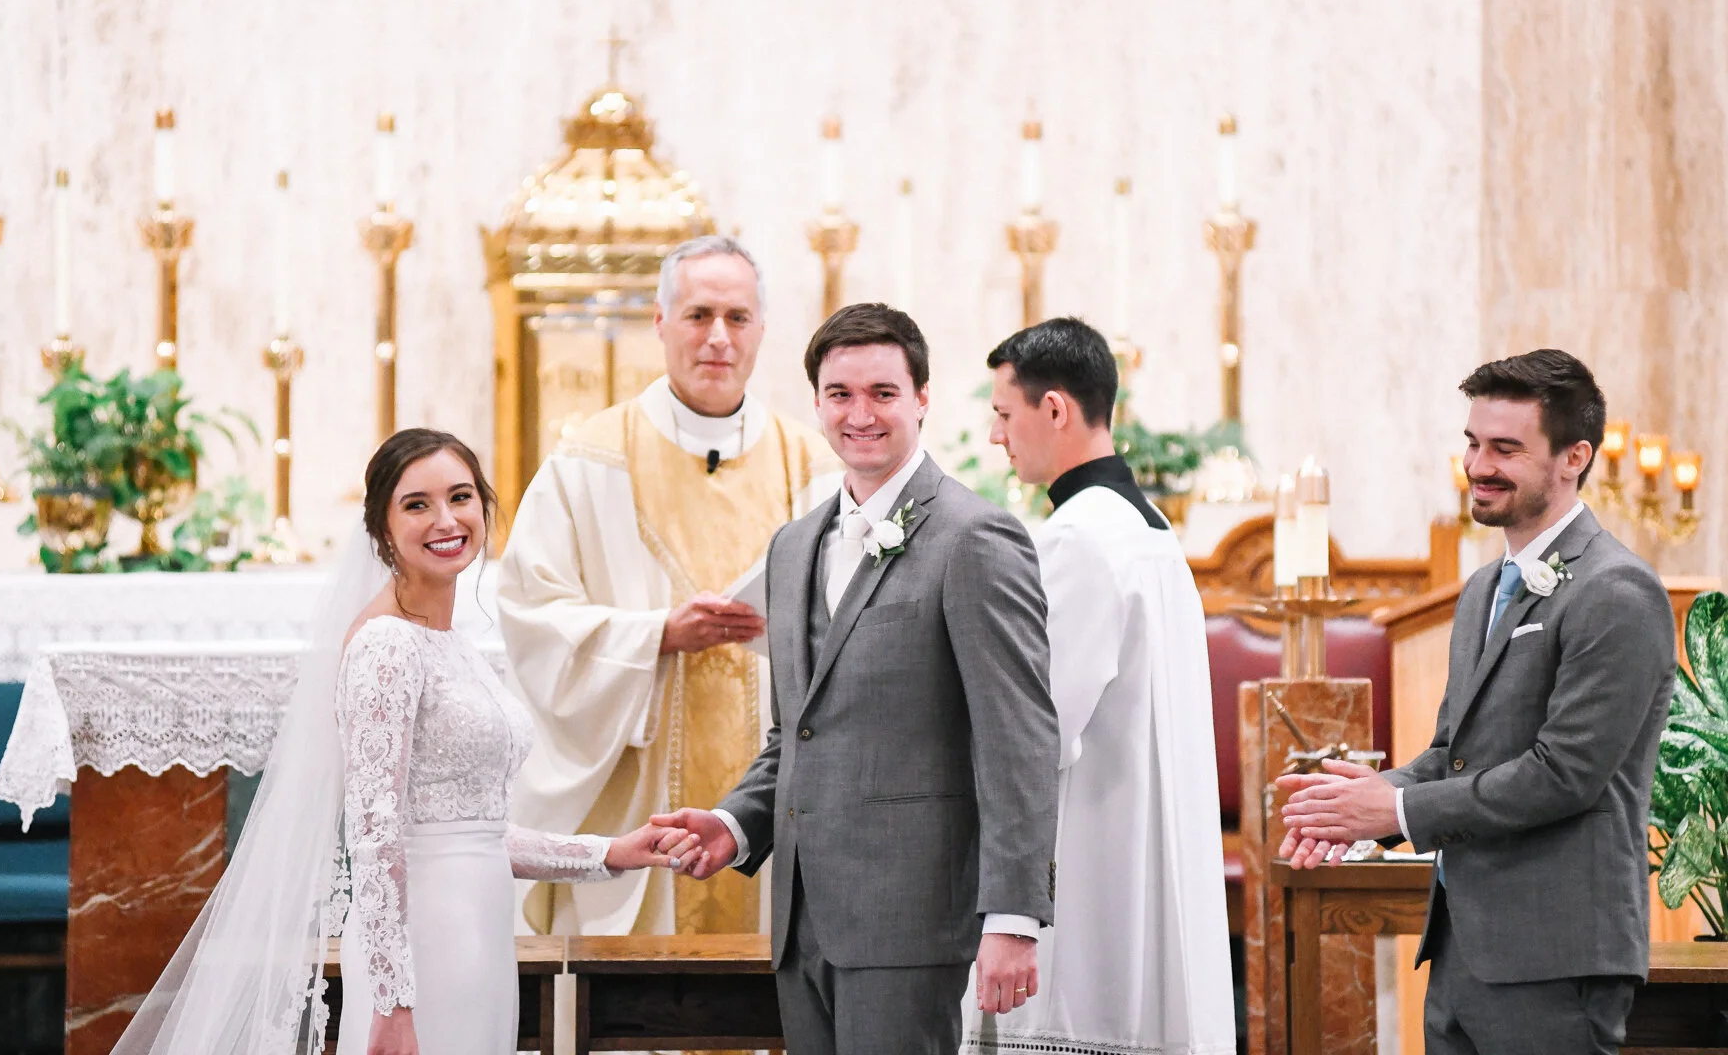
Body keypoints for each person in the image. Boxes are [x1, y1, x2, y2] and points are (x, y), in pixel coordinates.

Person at [110, 428, 699, 1055]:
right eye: (417, 504)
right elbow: (374, 834)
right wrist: (391, 1001)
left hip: (479, 933)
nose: (446, 520)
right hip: (423, 944)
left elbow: (476, 833)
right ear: (382, 529)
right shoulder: (385, 645)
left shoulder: (453, 645)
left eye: (461, 497)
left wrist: (611, 853)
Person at [654, 303, 1061, 1055]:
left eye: (883, 393)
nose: (860, 414)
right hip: (800, 916)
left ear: (923, 399)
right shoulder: (792, 547)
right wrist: (735, 824)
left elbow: (1019, 740)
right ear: (816, 402)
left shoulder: (975, 537)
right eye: (840, 394)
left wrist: (1013, 918)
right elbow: (798, 733)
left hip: (912, 918)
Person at [1278, 350, 1677, 1055]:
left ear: (1574, 457)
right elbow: (1452, 754)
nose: (1478, 465)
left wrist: (1398, 812)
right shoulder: (1481, 590)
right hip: (1462, 948)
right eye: (1472, 442)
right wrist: (1360, 803)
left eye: (1505, 448)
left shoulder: (1616, 590)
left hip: (1555, 956)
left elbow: (1565, 774)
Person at [497, 236, 839, 942]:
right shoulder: (587, 460)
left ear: (762, 330)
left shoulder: (813, 465)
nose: (718, 337)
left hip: (778, 804)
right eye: (698, 315)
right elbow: (533, 613)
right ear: (660, 322)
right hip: (635, 803)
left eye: (737, 318)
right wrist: (656, 635)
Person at [969, 317, 1236, 1055]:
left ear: (1054, 408)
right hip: (1142, 854)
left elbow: (1038, 728)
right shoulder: (1145, 528)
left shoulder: (1077, 538)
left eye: (1003, 413)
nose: (996, 435)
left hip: (1090, 867)